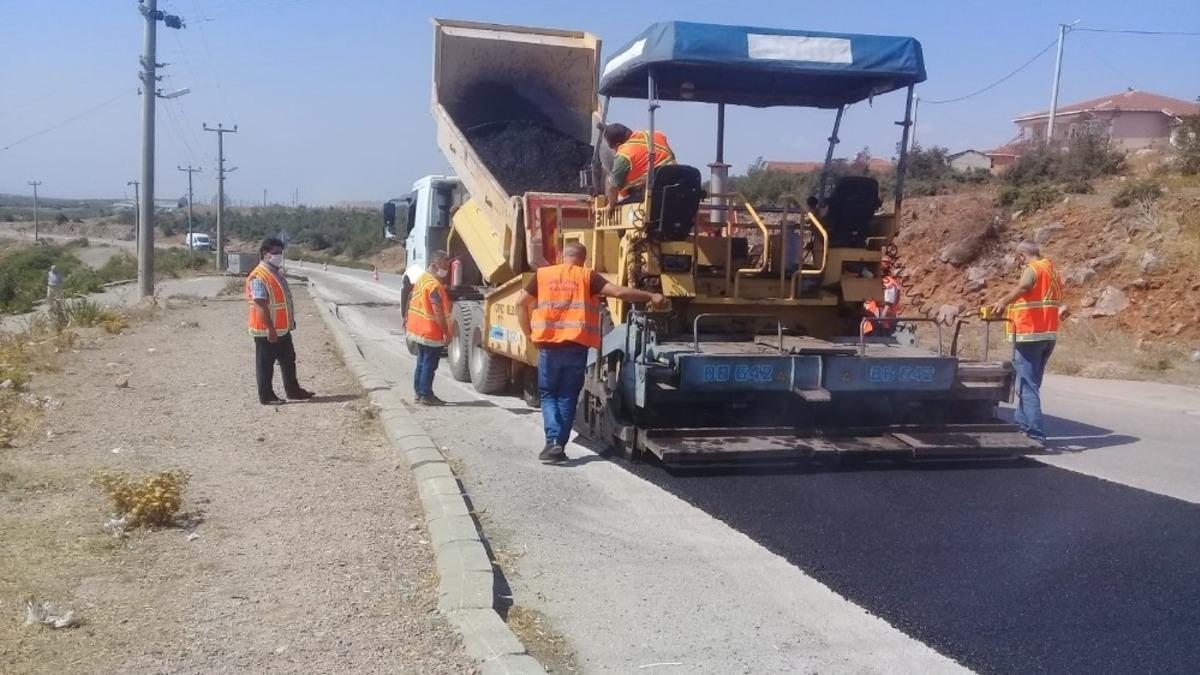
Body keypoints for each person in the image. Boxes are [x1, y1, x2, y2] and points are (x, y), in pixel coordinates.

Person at [516, 242, 664, 463]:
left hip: (548, 346)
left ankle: (553, 443)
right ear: (583, 259)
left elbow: (520, 303)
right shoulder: (587, 277)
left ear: (561, 255)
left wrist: (529, 333)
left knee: (549, 395)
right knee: (567, 396)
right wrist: (650, 296)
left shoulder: (542, 275)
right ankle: (558, 445)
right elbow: (619, 292)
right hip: (576, 347)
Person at [989, 241, 1062, 443]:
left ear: (1022, 255)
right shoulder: (1052, 270)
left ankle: (1034, 433)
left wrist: (1002, 301)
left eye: (1018, 259)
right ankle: (1022, 425)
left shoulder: (1033, 269)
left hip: (1030, 335)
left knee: (1027, 386)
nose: (1018, 262)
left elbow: (1024, 286)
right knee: (1031, 384)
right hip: (1048, 335)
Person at [246, 237, 315, 405]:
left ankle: (293, 391)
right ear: (265, 253)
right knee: (265, 364)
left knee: (288, 359)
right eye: (274, 252)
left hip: (282, 328)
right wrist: (270, 328)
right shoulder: (259, 276)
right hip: (266, 329)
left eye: (280, 252)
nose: (278, 255)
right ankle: (267, 396)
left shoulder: (275, 272)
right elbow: (260, 304)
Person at [406, 251, 452, 406]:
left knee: (421, 362)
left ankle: (419, 393)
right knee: (429, 364)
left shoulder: (423, 279)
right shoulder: (434, 285)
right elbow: (438, 311)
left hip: (419, 329)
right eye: (443, 265)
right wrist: (446, 332)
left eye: (447, 265)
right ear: (433, 265)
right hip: (431, 331)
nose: (446, 269)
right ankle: (426, 394)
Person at [603, 123, 677, 215]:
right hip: (675, 190)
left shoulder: (624, 155)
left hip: (649, 196)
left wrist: (610, 205)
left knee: (618, 211)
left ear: (617, 145)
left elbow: (613, 187)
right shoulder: (657, 135)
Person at [862, 257, 902, 336]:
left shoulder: (888, 283)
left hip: (881, 323)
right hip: (872, 322)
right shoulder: (879, 281)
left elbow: (888, 305)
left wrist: (881, 321)